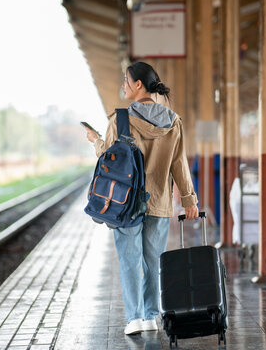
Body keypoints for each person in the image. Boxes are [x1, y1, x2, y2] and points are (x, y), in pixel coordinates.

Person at [85, 61, 198, 335]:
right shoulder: (173, 121)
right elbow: (179, 164)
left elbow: (108, 157)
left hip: (125, 203)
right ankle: (150, 316)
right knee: (154, 261)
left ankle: (134, 318)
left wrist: (95, 140)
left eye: (126, 80)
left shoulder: (119, 120)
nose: (123, 85)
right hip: (159, 202)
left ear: (138, 85)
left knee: (129, 260)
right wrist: (189, 199)